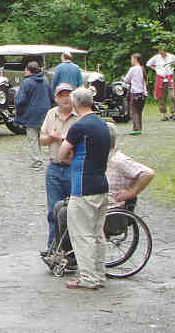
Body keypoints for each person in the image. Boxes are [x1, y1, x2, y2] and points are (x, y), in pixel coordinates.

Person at [57, 87, 111, 290]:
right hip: (101, 184)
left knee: (82, 234)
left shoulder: (79, 127)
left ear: (75, 103)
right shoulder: (102, 124)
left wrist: (70, 156)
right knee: (98, 234)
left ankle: (88, 278)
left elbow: (62, 154)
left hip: (83, 186)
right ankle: (99, 274)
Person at [38, 82, 78, 256]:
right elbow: (41, 139)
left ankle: (71, 249)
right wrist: (51, 138)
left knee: (74, 211)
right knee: (53, 210)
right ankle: (53, 247)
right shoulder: (51, 114)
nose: (65, 98)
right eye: (61, 95)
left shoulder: (79, 116)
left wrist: (65, 140)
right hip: (54, 167)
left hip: (72, 168)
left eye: (68, 95)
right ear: (56, 98)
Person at [104, 122, 155, 208]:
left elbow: (148, 173)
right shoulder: (103, 157)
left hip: (112, 208)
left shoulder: (118, 160)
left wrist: (132, 192)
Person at [15, 61, 54, 169]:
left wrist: (17, 108)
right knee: (48, 137)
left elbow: (21, 100)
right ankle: (53, 158)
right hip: (45, 113)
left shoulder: (26, 82)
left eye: (25, 69)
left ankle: (37, 161)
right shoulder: (45, 80)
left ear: (28, 71)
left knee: (33, 139)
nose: (24, 71)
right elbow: (52, 96)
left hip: (31, 114)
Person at [146, 47, 175, 121]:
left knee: (172, 96)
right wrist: (156, 69)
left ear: (165, 50)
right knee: (162, 97)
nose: (160, 52)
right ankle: (164, 114)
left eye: (162, 50)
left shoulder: (171, 57)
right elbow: (148, 64)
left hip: (169, 78)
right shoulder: (156, 57)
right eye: (159, 50)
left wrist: (173, 67)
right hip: (161, 78)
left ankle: (173, 113)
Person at [123, 53, 147, 134]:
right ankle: (139, 127)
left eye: (132, 59)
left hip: (135, 92)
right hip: (143, 93)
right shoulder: (142, 68)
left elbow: (126, 80)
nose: (131, 61)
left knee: (133, 111)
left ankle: (136, 129)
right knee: (139, 111)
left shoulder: (133, 69)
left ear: (135, 59)